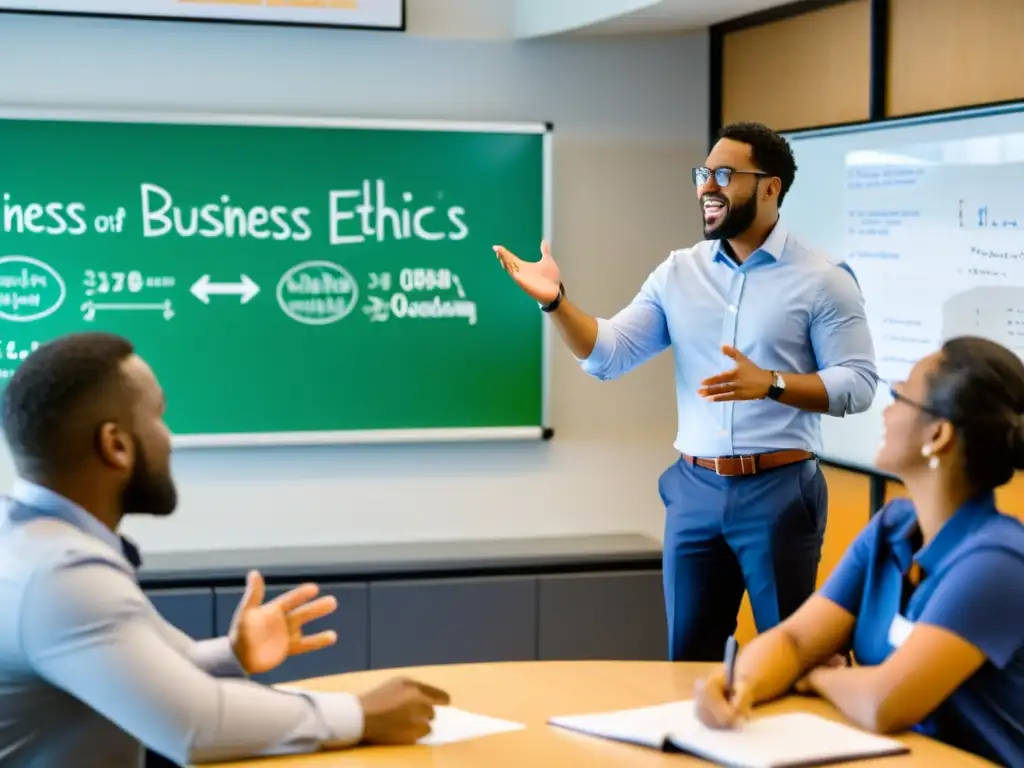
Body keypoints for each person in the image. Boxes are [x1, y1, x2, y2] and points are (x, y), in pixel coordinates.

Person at [494, 121, 877, 661]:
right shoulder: (679, 272)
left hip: (780, 490)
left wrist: (770, 384)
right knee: (687, 661)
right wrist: (556, 301)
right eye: (704, 173)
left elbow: (858, 384)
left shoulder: (822, 278)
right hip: (693, 490)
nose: (707, 187)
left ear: (770, 187)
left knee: (792, 660)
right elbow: (609, 355)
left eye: (725, 174)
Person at [0, 332, 449, 767]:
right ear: (115, 445)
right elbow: (196, 724)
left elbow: (157, 670)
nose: (168, 437)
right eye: (158, 417)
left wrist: (233, 654)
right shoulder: (62, 575)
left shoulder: (35, 543)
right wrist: (362, 716)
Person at [692, 336, 1024, 767]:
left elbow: (885, 701)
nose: (885, 410)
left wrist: (817, 677)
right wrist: (743, 683)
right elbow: (795, 641)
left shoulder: (997, 563)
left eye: (899, 395)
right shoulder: (891, 529)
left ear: (938, 435)